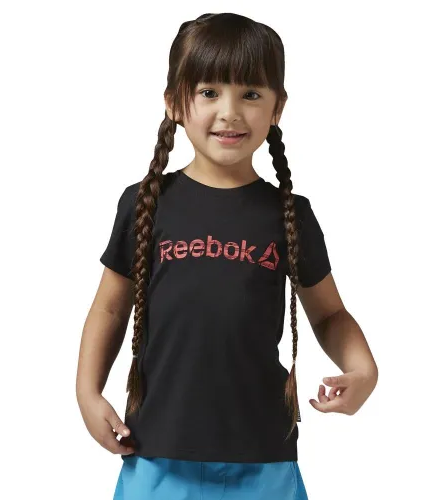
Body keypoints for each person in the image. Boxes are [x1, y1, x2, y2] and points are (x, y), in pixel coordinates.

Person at [76, 12, 378, 500]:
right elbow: (110, 308)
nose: (230, 112)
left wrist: (363, 369)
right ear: (175, 102)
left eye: (251, 94)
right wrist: (87, 393)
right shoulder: (145, 203)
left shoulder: (290, 214)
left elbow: (329, 314)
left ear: (278, 107)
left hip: (263, 460)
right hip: (156, 455)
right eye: (209, 92)